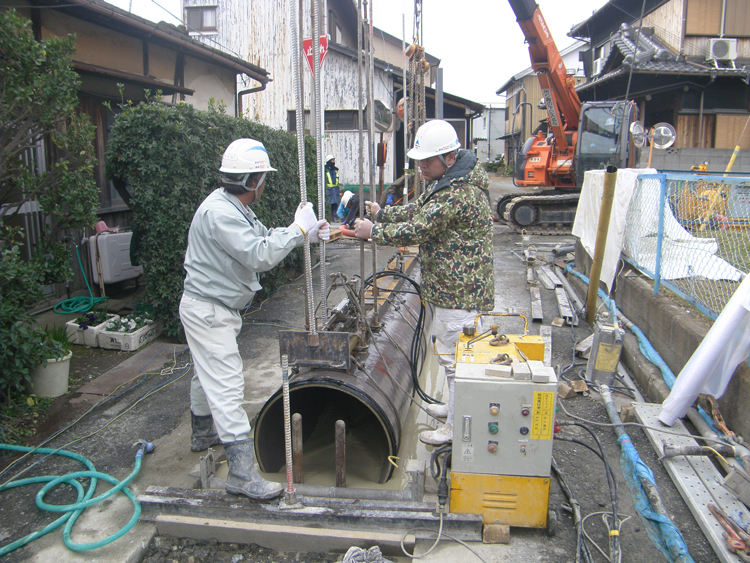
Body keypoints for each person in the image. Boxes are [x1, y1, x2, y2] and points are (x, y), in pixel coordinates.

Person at [179, 138, 329, 500]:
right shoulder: (220, 213)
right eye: (262, 178)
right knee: (227, 384)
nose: (264, 184)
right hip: (208, 309)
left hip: (212, 307)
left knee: (206, 373)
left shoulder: (232, 206)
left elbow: (262, 236)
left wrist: (302, 233)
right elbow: (259, 254)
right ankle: (242, 475)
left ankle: (203, 433)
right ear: (252, 181)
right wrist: (298, 232)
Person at [353, 120, 495, 446]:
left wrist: (373, 232)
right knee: (449, 355)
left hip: (460, 293)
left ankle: (456, 429)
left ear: (448, 156)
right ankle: (453, 407)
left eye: (426, 161)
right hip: (452, 287)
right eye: (419, 161)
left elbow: (419, 228)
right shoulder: (448, 181)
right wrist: (383, 213)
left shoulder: (460, 193)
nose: (421, 167)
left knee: (455, 359)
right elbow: (420, 208)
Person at [325, 155, 341, 219]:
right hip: (328, 189)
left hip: (335, 189)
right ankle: (326, 216)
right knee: (327, 203)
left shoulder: (335, 170)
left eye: (334, 160)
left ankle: (334, 216)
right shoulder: (325, 170)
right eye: (332, 160)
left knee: (335, 203)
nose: (333, 162)